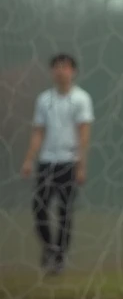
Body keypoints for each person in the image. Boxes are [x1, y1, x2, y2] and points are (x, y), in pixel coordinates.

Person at [19, 53, 94, 275]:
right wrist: (28, 160)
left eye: (65, 67)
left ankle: (59, 257)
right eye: (57, 67)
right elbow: (38, 132)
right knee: (39, 208)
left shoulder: (81, 99)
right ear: (52, 72)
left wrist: (81, 166)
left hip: (69, 162)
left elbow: (84, 134)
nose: (61, 71)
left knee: (65, 212)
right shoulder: (44, 100)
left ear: (73, 71)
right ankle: (49, 247)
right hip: (47, 162)